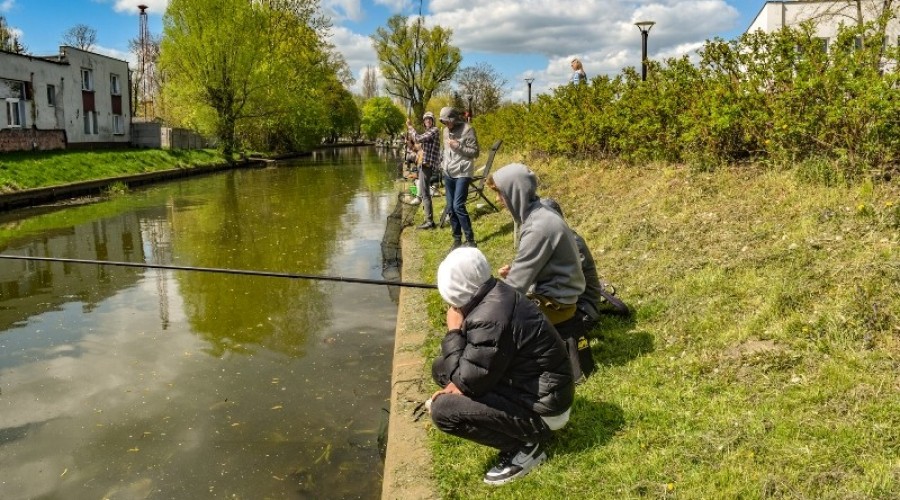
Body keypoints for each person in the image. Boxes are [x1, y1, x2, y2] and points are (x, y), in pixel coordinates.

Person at [428, 247, 574, 486]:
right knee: (441, 368)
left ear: (456, 290)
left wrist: (454, 330)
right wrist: (460, 382)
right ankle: (518, 433)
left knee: (443, 411)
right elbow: (475, 364)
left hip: (544, 411)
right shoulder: (495, 293)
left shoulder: (489, 317)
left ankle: (525, 447)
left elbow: (469, 381)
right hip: (531, 388)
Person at [486, 163, 595, 382]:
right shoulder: (538, 214)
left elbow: (515, 287)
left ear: (514, 191)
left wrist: (481, 302)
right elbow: (535, 267)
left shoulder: (539, 226)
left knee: (496, 321)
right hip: (557, 294)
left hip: (557, 303)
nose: (498, 200)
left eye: (500, 194)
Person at [439, 106, 480, 251]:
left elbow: (475, 152)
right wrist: (442, 163)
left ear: (454, 119)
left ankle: (470, 239)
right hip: (448, 172)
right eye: (443, 122)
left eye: (447, 121)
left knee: (458, 206)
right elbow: (445, 150)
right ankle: (457, 239)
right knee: (450, 207)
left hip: (463, 172)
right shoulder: (444, 131)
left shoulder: (467, 129)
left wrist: (458, 146)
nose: (446, 124)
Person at [406, 111, 441, 229]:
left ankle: (429, 222)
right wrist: (409, 144)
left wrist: (410, 127)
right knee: (423, 192)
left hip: (427, 166)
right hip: (422, 165)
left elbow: (419, 138)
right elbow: (417, 146)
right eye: (426, 119)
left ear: (433, 121)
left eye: (430, 119)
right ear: (424, 122)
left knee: (425, 193)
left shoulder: (434, 130)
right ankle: (428, 220)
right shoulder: (428, 132)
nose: (428, 121)